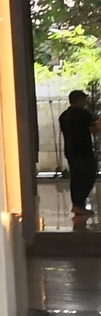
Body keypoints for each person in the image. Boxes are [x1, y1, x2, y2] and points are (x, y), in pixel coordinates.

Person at [62, 91, 99, 226]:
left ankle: (77, 204)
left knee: (76, 177)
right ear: (79, 100)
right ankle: (79, 204)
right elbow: (94, 131)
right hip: (83, 150)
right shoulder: (83, 114)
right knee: (89, 175)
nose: (85, 103)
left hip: (70, 150)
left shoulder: (64, 116)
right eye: (84, 100)